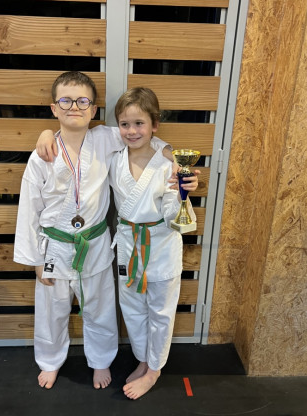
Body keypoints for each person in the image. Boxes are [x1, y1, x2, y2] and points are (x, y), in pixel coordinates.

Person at [14, 71, 173, 391]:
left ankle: (101, 359)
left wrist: (171, 154)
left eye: (82, 101)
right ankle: (50, 361)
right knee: (52, 309)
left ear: (94, 109)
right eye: (66, 101)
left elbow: (143, 135)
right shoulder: (41, 156)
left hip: (96, 241)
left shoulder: (105, 138)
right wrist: (34, 260)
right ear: (54, 108)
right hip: (54, 246)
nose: (74, 106)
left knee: (99, 307)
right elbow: (29, 209)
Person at [109, 87, 197, 399]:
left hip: (160, 245)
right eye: (125, 124)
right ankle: (143, 359)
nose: (132, 131)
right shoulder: (115, 158)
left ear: (154, 125)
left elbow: (175, 215)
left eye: (139, 123)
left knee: (160, 312)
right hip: (128, 244)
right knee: (132, 309)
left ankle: (155, 369)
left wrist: (183, 189)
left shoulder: (167, 164)